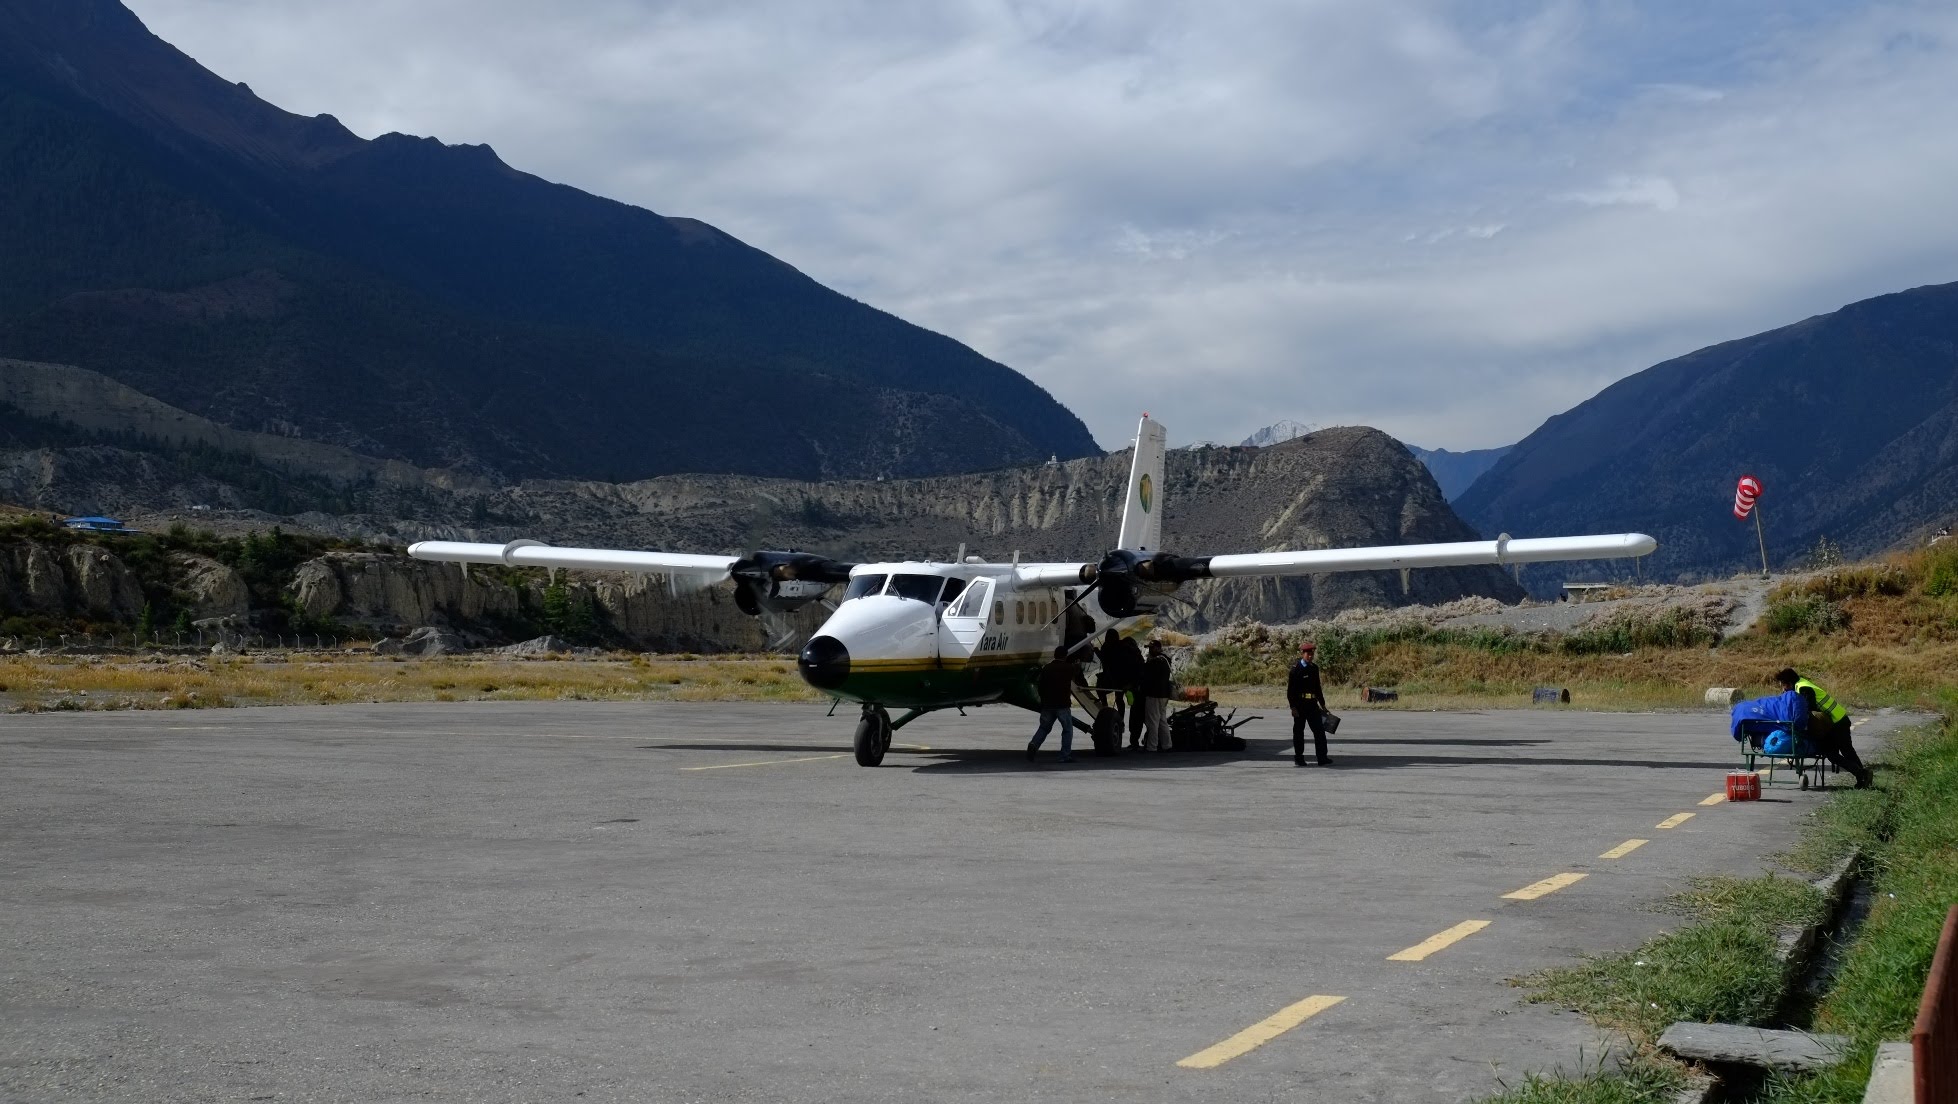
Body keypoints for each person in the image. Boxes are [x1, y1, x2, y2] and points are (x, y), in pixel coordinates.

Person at [1775, 667, 1871, 788]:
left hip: (1837, 722)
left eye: (1784, 685)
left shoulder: (1803, 688)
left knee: (1837, 752)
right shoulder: (1801, 684)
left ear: (1789, 683)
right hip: (1836, 720)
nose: (1783, 689)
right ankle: (1862, 776)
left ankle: (1862, 775)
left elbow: (1810, 710)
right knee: (1841, 752)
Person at [1027, 645, 1086, 763]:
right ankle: (1064, 755)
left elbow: (1041, 686)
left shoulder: (1046, 668)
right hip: (1062, 704)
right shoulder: (1068, 668)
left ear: (1054, 655)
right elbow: (1076, 673)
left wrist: (1043, 699)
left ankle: (1034, 744)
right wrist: (1078, 666)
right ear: (1065, 656)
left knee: (1044, 728)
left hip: (1048, 704)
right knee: (1067, 729)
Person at [1095, 628, 1144, 749]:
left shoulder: (1122, 650)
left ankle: (1109, 709)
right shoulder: (1119, 648)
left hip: (1124, 682)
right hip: (1123, 682)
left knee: (1129, 706)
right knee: (1122, 701)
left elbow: (1109, 661)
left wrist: (1131, 684)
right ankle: (1132, 737)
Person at [1287, 641, 1331, 766]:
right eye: (1308, 654)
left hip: (1312, 704)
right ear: (1302, 654)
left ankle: (1322, 758)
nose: (1310, 656)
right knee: (1299, 732)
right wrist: (1293, 707)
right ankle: (1299, 758)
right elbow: (1290, 691)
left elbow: (1318, 688)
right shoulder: (1295, 670)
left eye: (1312, 654)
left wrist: (1323, 705)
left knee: (1319, 731)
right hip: (1300, 705)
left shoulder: (1314, 668)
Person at [1138, 639, 1174, 751]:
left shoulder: (1155, 662)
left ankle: (1152, 746)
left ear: (1158, 648)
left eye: (1152, 648)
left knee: (1152, 721)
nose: (1150, 650)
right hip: (1164, 695)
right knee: (1162, 720)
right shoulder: (1165, 660)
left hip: (1154, 694)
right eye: (1149, 648)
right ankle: (1167, 745)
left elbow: (1146, 675)